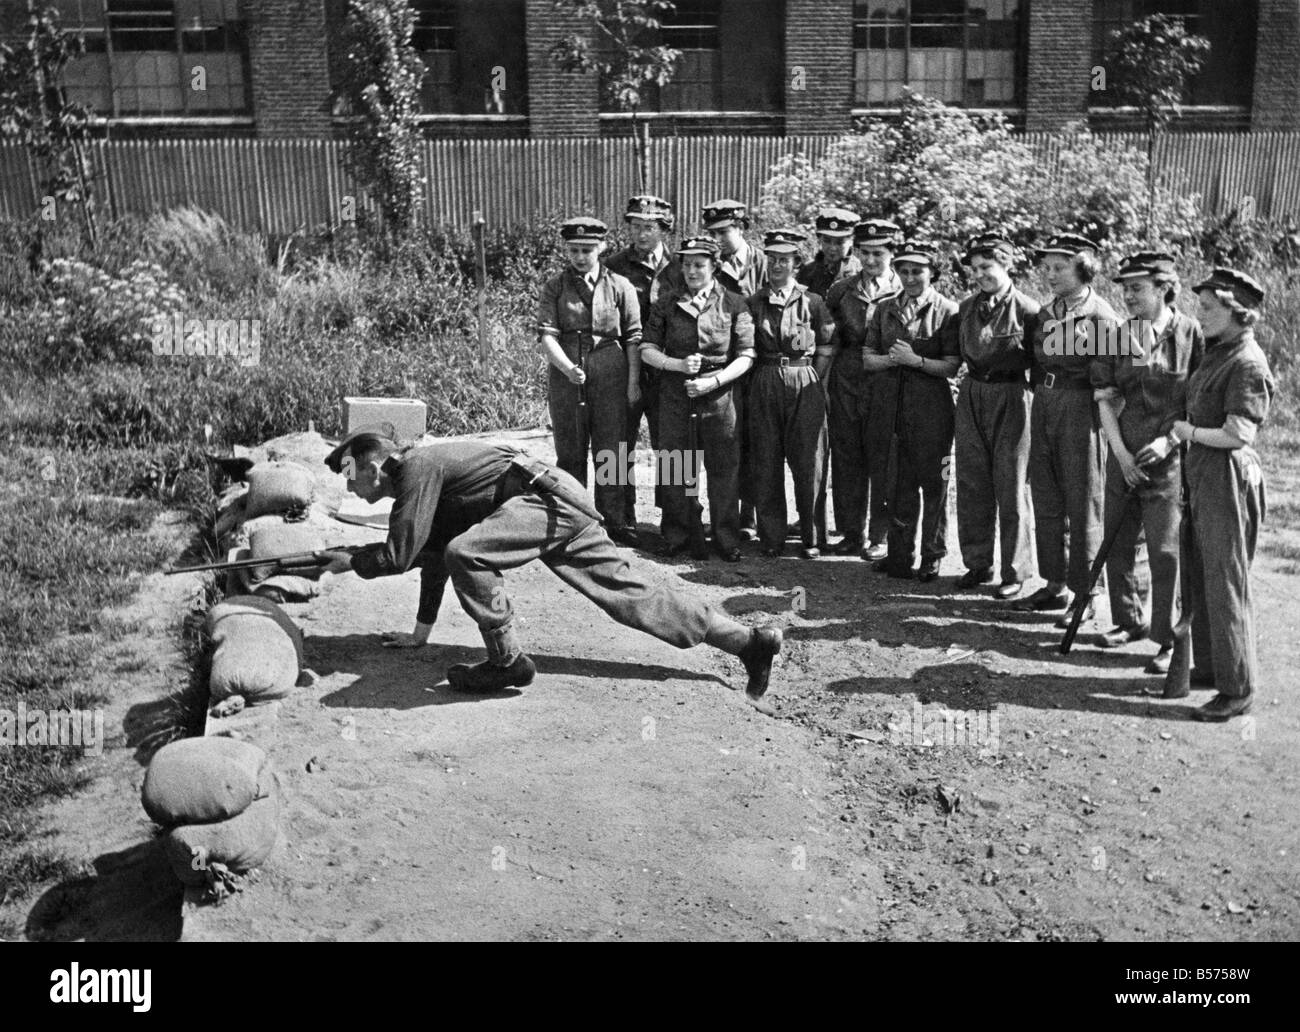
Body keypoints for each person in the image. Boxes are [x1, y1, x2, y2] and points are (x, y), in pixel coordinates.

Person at [314, 425, 783, 704]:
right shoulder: (421, 475)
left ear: (373, 468)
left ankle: (507, 662)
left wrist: (348, 561)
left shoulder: (416, 470)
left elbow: (399, 557)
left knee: (468, 551)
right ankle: (748, 642)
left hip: (541, 499)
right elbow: (432, 554)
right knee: (627, 595)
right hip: (557, 499)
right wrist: (421, 633)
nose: (350, 489)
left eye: (351, 478)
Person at [1136, 268, 1274, 722]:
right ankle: (1213, 668)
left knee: (1225, 580)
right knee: (1200, 575)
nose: (1201, 314)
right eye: (1201, 305)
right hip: (1203, 472)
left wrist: (1186, 432)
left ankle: (1237, 689)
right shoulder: (1218, 351)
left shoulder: (1247, 362)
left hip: (1227, 476)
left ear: (1238, 312)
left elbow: (1238, 434)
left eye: (1211, 308)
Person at [1093, 252, 1204, 674]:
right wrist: (1122, 456)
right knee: (1119, 543)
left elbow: (1201, 401)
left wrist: (1169, 441)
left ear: (1163, 288)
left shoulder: (1191, 334)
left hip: (1170, 460)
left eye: (1137, 288)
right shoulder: (1118, 336)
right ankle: (1129, 621)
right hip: (1124, 453)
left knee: (1165, 551)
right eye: (1124, 288)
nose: (1128, 296)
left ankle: (1168, 640)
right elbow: (1105, 400)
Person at [1019, 233, 1121, 627]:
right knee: (1046, 496)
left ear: (1084, 270)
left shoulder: (1101, 316)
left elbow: (1116, 377)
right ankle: (1055, 583)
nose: (1050, 275)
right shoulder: (1045, 313)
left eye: (1059, 268)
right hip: (1044, 404)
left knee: (1083, 501)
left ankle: (1086, 592)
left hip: (1081, 409)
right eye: (1046, 267)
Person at [640, 236, 756, 562]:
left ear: (714, 267)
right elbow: (647, 348)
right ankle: (677, 534)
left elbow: (747, 355)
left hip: (720, 396)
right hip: (675, 394)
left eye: (699, 265)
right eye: (687, 265)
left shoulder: (734, 302)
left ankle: (725, 537)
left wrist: (714, 381)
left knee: (723, 467)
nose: (691, 271)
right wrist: (676, 365)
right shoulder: (666, 302)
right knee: (675, 464)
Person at [537, 216, 642, 546]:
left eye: (587, 250)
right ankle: (573, 521)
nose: (580, 257)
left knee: (611, 450)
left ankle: (614, 521)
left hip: (612, 371)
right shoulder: (555, 286)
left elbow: (634, 338)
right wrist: (567, 368)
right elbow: (547, 336)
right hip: (567, 375)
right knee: (570, 450)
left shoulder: (620, 286)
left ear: (602, 248)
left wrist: (633, 383)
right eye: (574, 250)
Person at [862, 240, 961, 582]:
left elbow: (951, 366)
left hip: (932, 411)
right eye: (903, 271)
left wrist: (915, 361)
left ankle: (933, 555)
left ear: (932, 273)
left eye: (917, 271)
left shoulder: (948, 311)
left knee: (935, 486)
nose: (909, 278)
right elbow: (867, 358)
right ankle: (900, 555)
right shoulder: (885, 308)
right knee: (898, 485)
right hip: (892, 408)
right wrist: (892, 360)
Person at [952, 231, 1038, 598]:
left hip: (1012, 396)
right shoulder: (966, 308)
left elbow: (1040, 363)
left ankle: (1015, 571)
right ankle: (978, 562)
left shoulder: (1029, 310)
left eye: (986, 267)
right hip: (973, 393)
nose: (980, 275)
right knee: (972, 481)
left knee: (1011, 484)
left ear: (1006, 265)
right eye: (974, 269)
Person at [746, 229, 835, 558]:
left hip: (804, 378)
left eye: (784, 260)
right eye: (772, 259)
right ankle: (771, 536)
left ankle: (812, 537)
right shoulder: (754, 302)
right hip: (765, 377)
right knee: (766, 458)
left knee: (809, 461)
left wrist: (814, 381)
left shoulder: (813, 301)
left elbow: (826, 347)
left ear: (797, 264)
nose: (777, 265)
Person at [825, 218, 903, 560]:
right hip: (847, 377)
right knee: (846, 455)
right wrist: (826, 384)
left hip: (887, 377)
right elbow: (830, 340)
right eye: (865, 252)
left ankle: (879, 535)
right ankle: (850, 532)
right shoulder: (842, 289)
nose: (870, 260)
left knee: (882, 457)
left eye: (878, 253)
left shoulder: (903, 289)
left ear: (891, 253)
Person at [605, 195, 676, 532]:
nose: (641, 233)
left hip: (669, 369)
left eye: (649, 227)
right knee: (616, 443)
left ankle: (677, 517)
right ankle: (617, 518)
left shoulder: (681, 265)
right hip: (625, 367)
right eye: (635, 226)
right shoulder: (613, 266)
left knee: (675, 445)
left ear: (664, 229)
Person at [703, 199, 767, 542]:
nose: (717, 239)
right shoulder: (703, 263)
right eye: (711, 233)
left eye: (723, 232)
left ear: (741, 228)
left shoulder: (766, 263)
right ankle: (686, 515)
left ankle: (750, 514)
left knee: (754, 442)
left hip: (759, 363)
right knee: (709, 444)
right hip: (716, 365)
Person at [798, 207, 862, 298]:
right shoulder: (807, 271)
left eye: (839, 242)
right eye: (827, 241)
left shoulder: (860, 272)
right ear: (820, 239)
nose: (832, 248)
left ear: (851, 241)